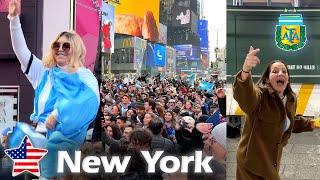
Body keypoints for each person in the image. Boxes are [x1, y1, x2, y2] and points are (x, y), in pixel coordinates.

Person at [7, 0, 100, 178]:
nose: (60, 49)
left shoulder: (85, 76)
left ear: (76, 49)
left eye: (66, 45)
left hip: (64, 147)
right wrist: (14, 19)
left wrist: (56, 114)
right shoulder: (44, 73)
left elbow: (86, 105)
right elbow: (21, 52)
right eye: (56, 45)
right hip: (37, 142)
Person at [233, 46, 320, 180]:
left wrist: (312, 124)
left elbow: (286, 121)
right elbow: (247, 97)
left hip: (271, 161)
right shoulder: (261, 96)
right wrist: (245, 71)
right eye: (275, 71)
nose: (280, 73)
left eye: (284, 71)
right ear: (267, 79)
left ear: (288, 78)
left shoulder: (290, 99)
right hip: (252, 164)